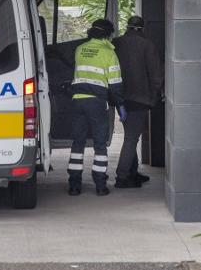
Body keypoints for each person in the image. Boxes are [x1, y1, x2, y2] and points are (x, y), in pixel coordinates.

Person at [66, 18, 124, 197]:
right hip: (97, 102)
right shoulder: (109, 53)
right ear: (107, 34)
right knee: (100, 144)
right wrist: (120, 104)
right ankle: (100, 185)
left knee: (78, 143)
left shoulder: (80, 49)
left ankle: (74, 186)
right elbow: (115, 83)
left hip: (78, 100)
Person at [112, 15, 163, 188]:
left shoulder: (116, 43)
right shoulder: (147, 45)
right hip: (140, 97)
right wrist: (157, 92)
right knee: (131, 138)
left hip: (120, 97)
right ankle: (122, 176)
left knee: (130, 135)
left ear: (127, 27)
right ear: (143, 28)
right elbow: (155, 73)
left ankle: (132, 172)